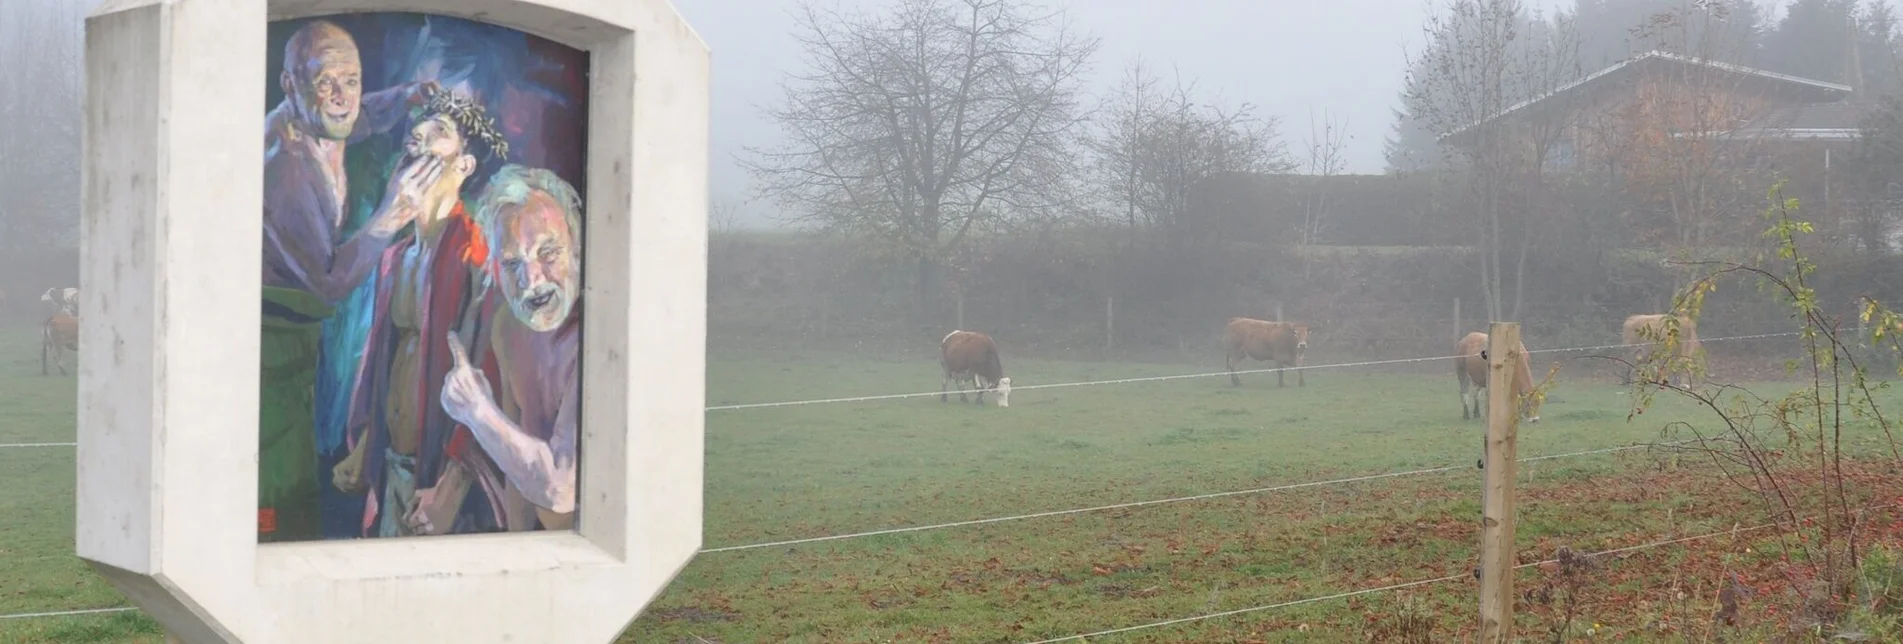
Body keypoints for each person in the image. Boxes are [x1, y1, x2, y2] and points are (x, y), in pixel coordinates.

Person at [258, 18, 441, 542]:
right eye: (325, 83)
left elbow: (355, 117)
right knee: (283, 485)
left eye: (352, 80)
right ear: (290, 85)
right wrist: (391, 215)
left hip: (297, 343)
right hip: (273, 351)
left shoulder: (318, 119)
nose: (341, 97)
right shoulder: (285, 169)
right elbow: (328, 283)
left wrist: (410, 97)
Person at [332, 88, 513, 538]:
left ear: (464, 165)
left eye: (437, 133)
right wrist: (368, 446)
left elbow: (492, 380)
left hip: (441, 483)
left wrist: (453, 487)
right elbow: (384, 362)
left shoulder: (479, 256)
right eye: (415, 133)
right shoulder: (395, 258)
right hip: (391, 470)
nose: (418, 139)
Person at [425, 164, 583, 533]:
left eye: (548, 253)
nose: (531, 280)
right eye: (513, 263)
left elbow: (561, 487)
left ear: (576, 248)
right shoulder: (508, 328)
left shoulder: (597, 335)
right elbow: (517, 471)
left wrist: (477, 411)